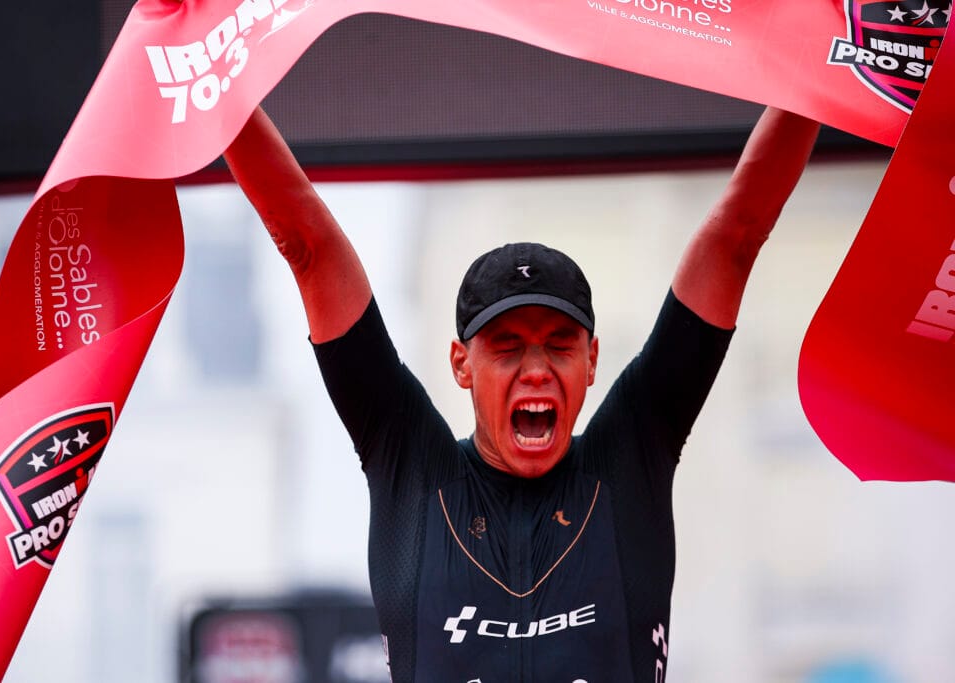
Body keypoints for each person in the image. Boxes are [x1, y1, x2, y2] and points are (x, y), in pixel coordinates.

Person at [224, 105, 821, 682]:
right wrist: (210, 82)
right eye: (507, 347)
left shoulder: (630, 456)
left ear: (591, 360)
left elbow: (736, 234)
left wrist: (826, 52)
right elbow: (307, 244)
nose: (535, 370)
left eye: (559, 345)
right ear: (461, 364)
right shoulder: (409, 464)